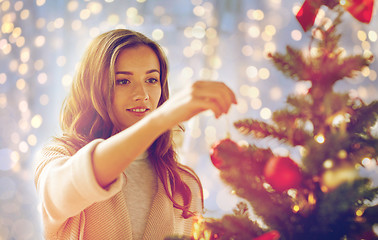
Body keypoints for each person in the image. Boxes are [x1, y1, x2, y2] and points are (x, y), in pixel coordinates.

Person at [34, 29, 237, 240]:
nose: (142, 95)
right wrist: (162, 118)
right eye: (123, 81)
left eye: (151, 80)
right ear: (93, 87)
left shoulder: (183, 184)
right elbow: (79, 180)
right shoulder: (58, 157)